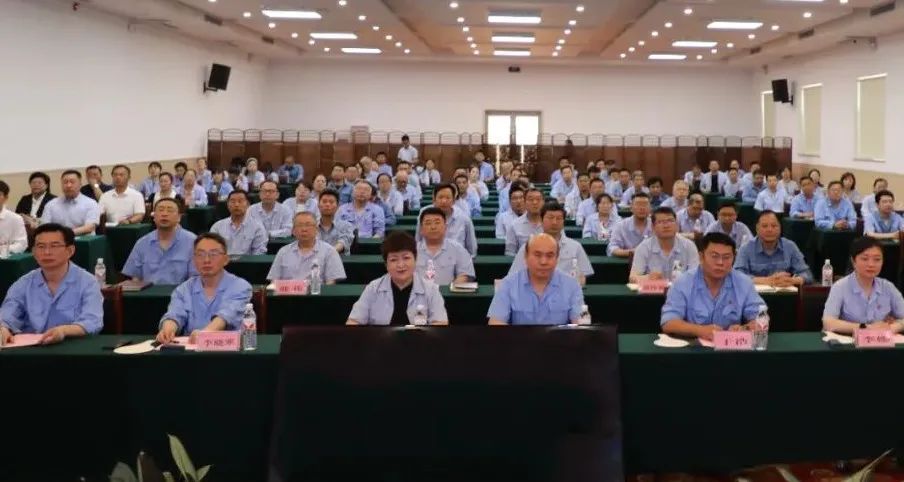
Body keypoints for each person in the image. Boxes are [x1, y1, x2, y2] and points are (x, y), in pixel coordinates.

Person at [0, 223, 103, 344]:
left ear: (70, 250)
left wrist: (64, 331)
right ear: (33, 252)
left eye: (54, 246)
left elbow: (93, 321)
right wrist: (4, 329)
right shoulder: (23, 283)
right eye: (41, 246)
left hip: (72, 348)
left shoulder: (88, 282)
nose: (47, 252)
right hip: (31, 349)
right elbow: (7, 315)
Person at [660, 232, 766, 341]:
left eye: (726, 257)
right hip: (692, 347)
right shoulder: (683, 282)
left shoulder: (743, 282)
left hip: (730, 347)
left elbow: (761, 316)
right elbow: (668, 322)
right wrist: (700, 330)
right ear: (701, 257)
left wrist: (745, 328)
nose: (720, 262)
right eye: (714, 256)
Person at [156, 233, 253, 343]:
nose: (206, 260)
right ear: (194, 260)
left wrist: (205, 334)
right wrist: (168, 329)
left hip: (227, 349)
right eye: (200, 254)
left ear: (226, 259)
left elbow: (226, 315)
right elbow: (175, 314)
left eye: (213, 254)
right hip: (191, 349)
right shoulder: (183, 289)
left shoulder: (240, 286)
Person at [347, 231, 448, 326]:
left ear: (415, 259)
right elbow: (354, 321)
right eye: (394, 260)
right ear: (386, 264)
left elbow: (440, 323)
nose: (400, 265)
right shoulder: (373, 289)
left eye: (406, 258)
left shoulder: (431, 290)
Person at [488, 233, 585, 325]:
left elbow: (580, 324)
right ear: (526, 256)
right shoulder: (508, 284)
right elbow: (496, 323)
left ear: (557, 258)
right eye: (537, 255)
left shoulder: (572, 285)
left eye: (550, 256)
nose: (543, 261)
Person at [824, 237, 904, 334]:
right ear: (853, 261)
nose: (871, 264)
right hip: (849, 341)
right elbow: (828, 323)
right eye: (865, 259)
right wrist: (866, 327)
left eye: (877, 259)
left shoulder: (888, 287)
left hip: (880, 340)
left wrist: (891, 328)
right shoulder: (840, 287)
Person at [508, 203, 594, 285]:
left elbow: (584, 274)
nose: (554, 222)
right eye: (550, 218)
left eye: (559, 218)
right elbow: (514, 275)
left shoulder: (575, 247)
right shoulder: (529, 246)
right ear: (541, 220)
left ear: (563, 222)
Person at [122, 198, 197, 285]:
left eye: (170, 210)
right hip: (148, 292)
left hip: (181, 293)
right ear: (154, 217)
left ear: (179, 217)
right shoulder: (142, 243)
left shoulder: (192, 242)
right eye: (160, 210)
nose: (164, 214)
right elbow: (135, 278)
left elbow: (195, 279)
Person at [734, 210, 813, 287]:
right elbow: (737, 276)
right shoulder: (746, 248)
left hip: (784, 293)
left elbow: (806, 274)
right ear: (757, 229)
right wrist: (767, 280)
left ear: (780, 228)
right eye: (764, 226)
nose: (769, 230)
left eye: (774, 226)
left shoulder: (790, 246)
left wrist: (792, 280)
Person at [267, 212, 346, 284]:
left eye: (308, 225)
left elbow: (331, 283)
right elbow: (273, 281)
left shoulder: (329, 251)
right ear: (293, 231)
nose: (304, 229)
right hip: (287, 294)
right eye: (299, 225)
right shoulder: (283, 251)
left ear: (316, 230)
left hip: (317, 294)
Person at [629, 207, 699, 283]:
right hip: (654, 289)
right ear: (653, 227)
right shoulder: (644, 247)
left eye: (670, 221)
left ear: (677, 225)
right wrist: (648, 277)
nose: (666, 226)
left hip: (682, 289)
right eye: (660, 222)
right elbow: (633, 278)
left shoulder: (689, 246)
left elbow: (696, 276)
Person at [416, 207, 475, 285]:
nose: (433, 227)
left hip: (449, 292)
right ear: (421, 230)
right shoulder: (412, 250)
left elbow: (465, 274)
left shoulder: (457, 249)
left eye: (437, 223)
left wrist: (450, 289)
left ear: (445, 227)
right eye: (428, 223)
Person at [416, 183, 478, 257]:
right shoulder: (424, 214)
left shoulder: (464, 219)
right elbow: (418, 241)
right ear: (434, 200)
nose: (444, 201)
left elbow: (472, 250)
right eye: (440, 197)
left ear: (454, 201)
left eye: (448, 198)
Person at [41, 170, 101, 236]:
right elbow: (44, 226)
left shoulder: (91, 203)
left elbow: (90, 227)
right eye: (65, 182)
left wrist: (65, 234)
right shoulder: (51, 204)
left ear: (80, 184)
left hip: (83, 240)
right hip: (56, 240)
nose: (68, 185)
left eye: (72, 182)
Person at [209, 190, 268, 255]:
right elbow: (211, 250)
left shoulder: (257, 227)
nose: (236, 205)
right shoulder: (217, 227)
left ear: (248, 205)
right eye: (233, 201)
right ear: (228, 205)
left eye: (240, 201)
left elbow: (259, 253)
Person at [608, 192, 653, 257]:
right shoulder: (621, 226)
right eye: (638, 204)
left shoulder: (656, 225)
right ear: (631, 208)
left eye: (645, 205)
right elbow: (612, 248)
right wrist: (632, 252)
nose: (642, 208)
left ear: (650, 208)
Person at [505, 188, 545, 256]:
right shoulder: (514, 225)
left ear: (543, 202)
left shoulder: (552, 223)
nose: (535, 202)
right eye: (531, 199)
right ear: (524, 202)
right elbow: (510, 252)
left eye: (538, 199)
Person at [316, 190, 355, 256]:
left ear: (338, 206)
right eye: (324, 201)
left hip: (340, 260)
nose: (327, 204)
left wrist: (328, 254)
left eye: (331, 202)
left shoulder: (346, 226)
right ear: (318, 205)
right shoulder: (311, 225)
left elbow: (343, 242)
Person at [0, 180, 28, 254]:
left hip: (5, 258)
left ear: (6, 198)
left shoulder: (15, 218)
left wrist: (3, 249)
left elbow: (22, 244)